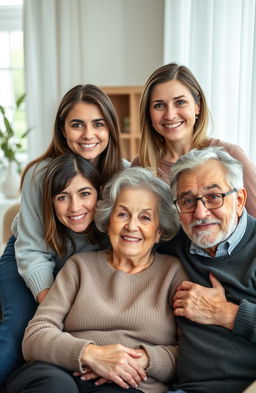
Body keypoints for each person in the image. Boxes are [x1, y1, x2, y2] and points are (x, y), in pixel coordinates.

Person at [5, 166, 188, 393]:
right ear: (108, 220)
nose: (132, 226)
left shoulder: (173, 273)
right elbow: (35, 336)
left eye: (145, 217)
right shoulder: (80, 266)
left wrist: (143, 359)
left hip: (128, 383)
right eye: (122, 214)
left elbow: (190, 353)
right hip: (60, 372)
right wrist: (91, 354)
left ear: (159, 230)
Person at [0, 84, 127, 389]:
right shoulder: (39, 175)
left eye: (98, 124)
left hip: (82, 266)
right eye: (77, 124)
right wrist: (51, 303)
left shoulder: (123, 176)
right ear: (62, 129)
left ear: (110, 127)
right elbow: (31, 248)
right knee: (17, 330)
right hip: (32, 255)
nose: (88, 134)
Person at [157, 146, 256, 393]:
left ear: (240, 200)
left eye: (214, 197)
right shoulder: (171, 246)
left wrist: (225, 312)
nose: (200, 213)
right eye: (187, 201)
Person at [131, 63, 256, 217]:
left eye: (180, 102)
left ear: (197, 106)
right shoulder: (140, 165)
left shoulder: (230, 154)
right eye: (159, 105)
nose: (170, 115)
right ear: (149, 114)